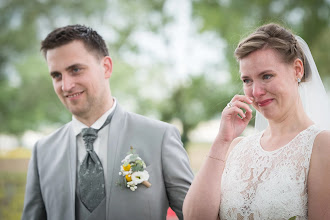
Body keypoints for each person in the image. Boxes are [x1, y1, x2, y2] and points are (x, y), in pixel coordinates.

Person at [22, 24, 194, 220]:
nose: (66, 85)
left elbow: (195, 215)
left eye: (76, 70)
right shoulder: (43, 151)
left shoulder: (159, 137)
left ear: (106, 67)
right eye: (56, 75)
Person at [183, 23, 330, 219]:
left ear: (297, 69)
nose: (256, 92)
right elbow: (194, 217)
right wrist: (222, 141)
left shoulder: (321, 146)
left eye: (266, 76)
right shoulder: (235, 147)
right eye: (247, 80)